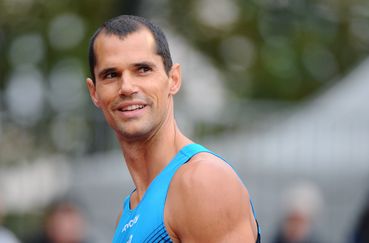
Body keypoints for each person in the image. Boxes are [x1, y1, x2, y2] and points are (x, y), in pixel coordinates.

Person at [86, 15, 260, 242]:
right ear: (94, 93)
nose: (127, 87)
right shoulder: (128, 212)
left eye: (143, 69)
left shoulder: (201, 181)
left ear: (174, 79)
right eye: (111, 75)